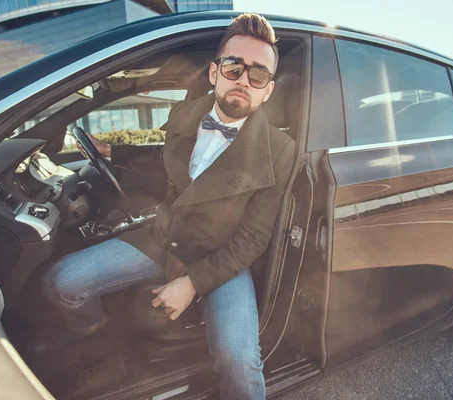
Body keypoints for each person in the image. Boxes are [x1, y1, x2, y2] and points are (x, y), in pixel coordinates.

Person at [36, 13, 295, 399]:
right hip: (163, 236)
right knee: (61, 283)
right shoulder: (182, 116)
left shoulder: (280, 151)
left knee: (240, 365)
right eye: (234, 67)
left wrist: (192, 285)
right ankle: (99, 341)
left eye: (258, 74)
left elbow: (253, 240)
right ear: (214, 72)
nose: (243, 80)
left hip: (220, 259)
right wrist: (113, 151)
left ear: (268, 91)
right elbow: (162, 159)